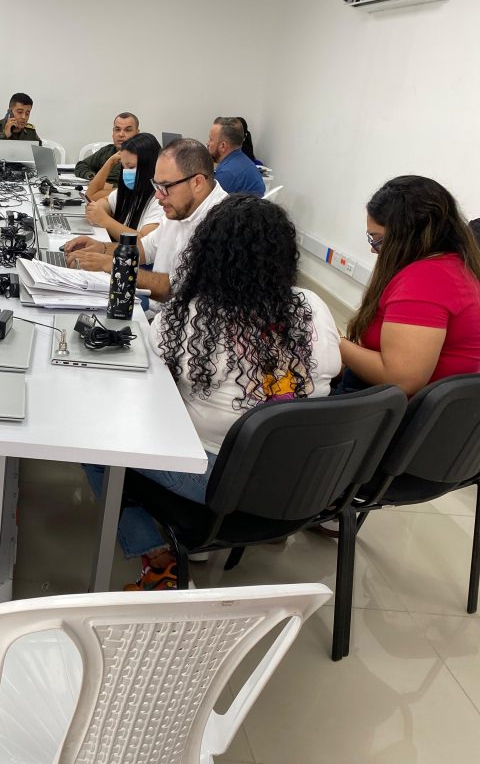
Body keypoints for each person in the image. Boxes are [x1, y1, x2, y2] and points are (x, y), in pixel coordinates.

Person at [86, 196, 341, 590]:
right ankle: (257, 531)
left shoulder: (191, 316)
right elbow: (329, 372)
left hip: (220, 479)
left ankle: (159, 559)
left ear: (206, 254)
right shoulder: (313, 306)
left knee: (96, 443)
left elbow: (146, 385)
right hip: (304, 477)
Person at [337, 175, 480, 396]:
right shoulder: (453, 265)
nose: (373, 249)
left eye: (378, 239)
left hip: (391, 409)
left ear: (408, 236)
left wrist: (333, 341)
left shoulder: (428, 280)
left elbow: (401, 380)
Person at [65, 139, 228, 311]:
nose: (158, 195)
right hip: (160, 312)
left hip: (180, 318)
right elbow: (145, 248)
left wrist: (115, 266)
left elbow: (178, 288)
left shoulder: (224, 224)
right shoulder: (180, 208)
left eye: (165, 186)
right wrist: (102, 248)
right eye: (156, 185)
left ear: (197, 183)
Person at [66, 133, 164, 244]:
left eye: (131, 167)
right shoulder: (130, 191)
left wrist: (104, 220)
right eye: (124, 167)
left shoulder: (160, 201)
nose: (126, 172)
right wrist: (97, 209)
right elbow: (105, 202)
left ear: (150, 166)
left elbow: (144, 244)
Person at [73, 112, 140, 195]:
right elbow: (81, 165)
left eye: (127, 130)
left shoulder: (143, 155)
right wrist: (95, 178)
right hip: (97, 193)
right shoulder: (107, 151)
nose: (121, 134)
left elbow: (142, 187)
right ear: (113, 132)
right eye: (117, 129)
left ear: (137, 133)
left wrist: (112, 187)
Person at [206, 117, 265, 197]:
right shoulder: (244, 162)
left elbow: (209, 202)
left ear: (223, 146)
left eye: (211, 139)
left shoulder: (227, 173)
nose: (208, 143)